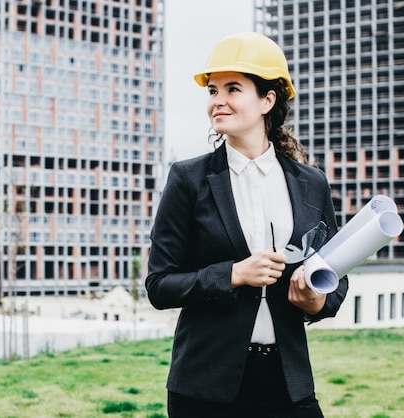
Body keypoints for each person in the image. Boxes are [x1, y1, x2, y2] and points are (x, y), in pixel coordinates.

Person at [145, 32, 348, 417]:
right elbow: (159, 285)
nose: (217, 101)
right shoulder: (188, 180)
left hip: (288, 385)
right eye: (212, 91)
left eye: (232, 89)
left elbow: (336, 275)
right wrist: (234, 274)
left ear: (267, 100)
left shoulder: (311, 184)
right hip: (205, 388)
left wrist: (318, 300)